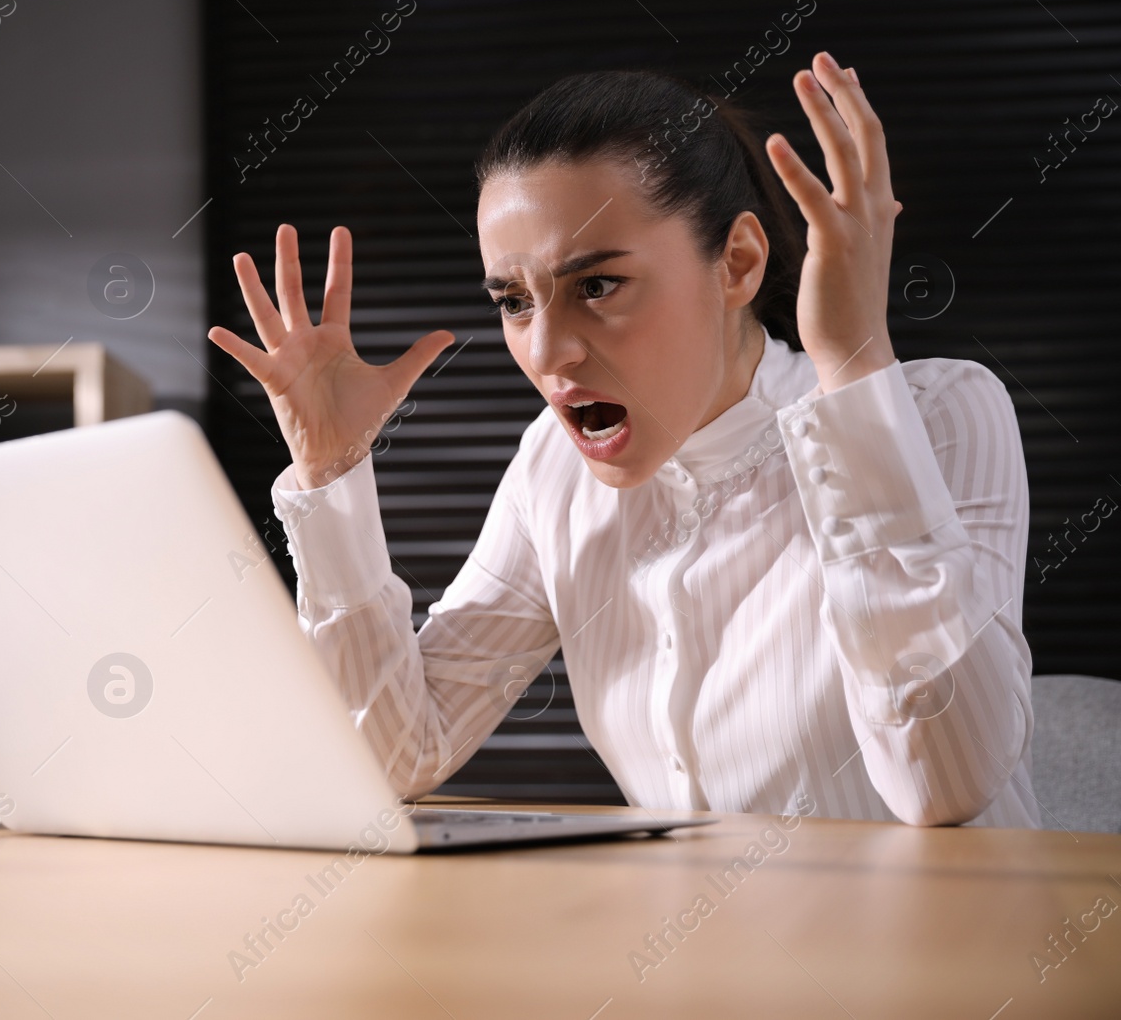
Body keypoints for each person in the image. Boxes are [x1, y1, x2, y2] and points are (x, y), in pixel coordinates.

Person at [207, 51, 1037, 828]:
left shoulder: (939, 417)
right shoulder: (552, 470)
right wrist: (329, 469)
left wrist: (855, 365)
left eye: (597, 285)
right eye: (514, 300)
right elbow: (395, 754)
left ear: (738, 263)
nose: (546, 351)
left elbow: (943, 786)